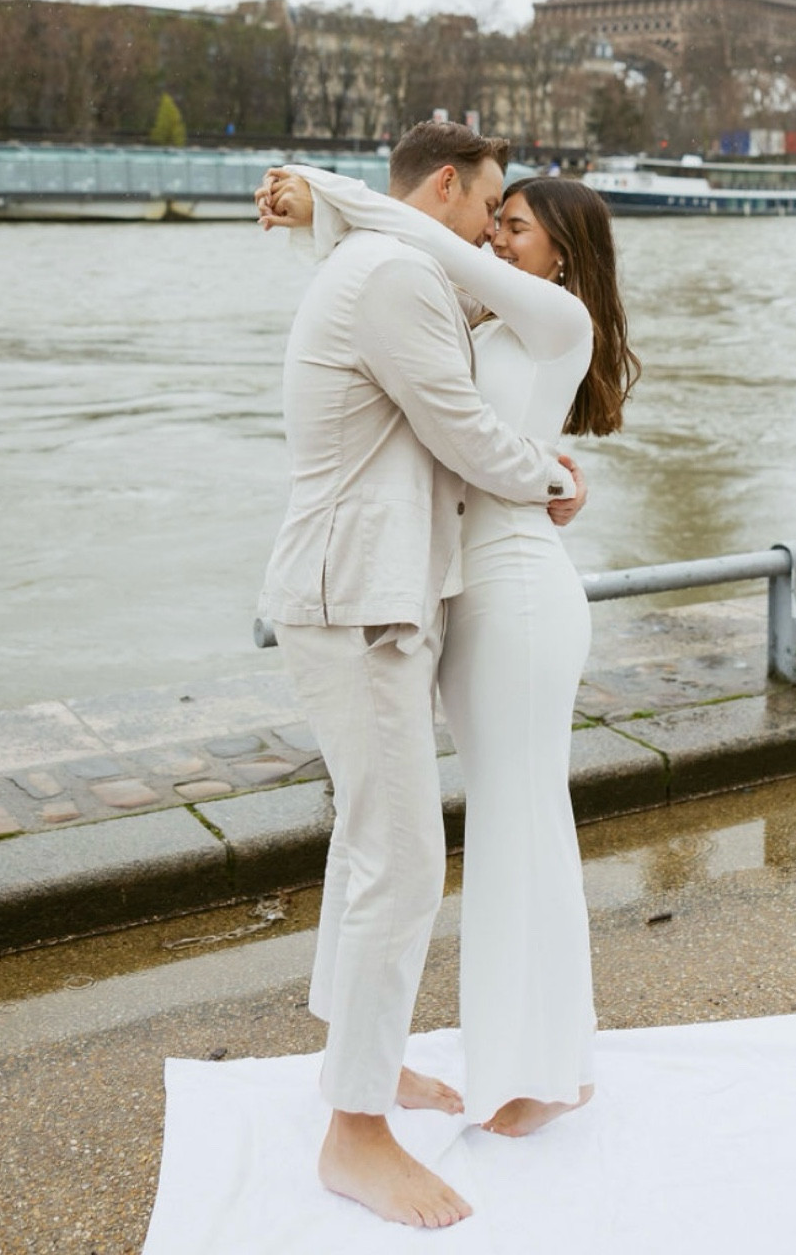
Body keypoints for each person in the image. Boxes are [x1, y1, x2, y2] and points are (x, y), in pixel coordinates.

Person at [261, 153, 638, 1147]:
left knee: (520, 824)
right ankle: (521, 1058)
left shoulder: (561, 320)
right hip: (466, 593)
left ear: (566, 251)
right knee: (503, 823)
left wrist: (322, 191)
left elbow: (426, 234)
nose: (495, 234)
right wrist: (324, 217)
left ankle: (546, 1068)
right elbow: (411, 321)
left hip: (517, 592)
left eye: (516, 224)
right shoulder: (484, 323)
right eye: (495, 214)